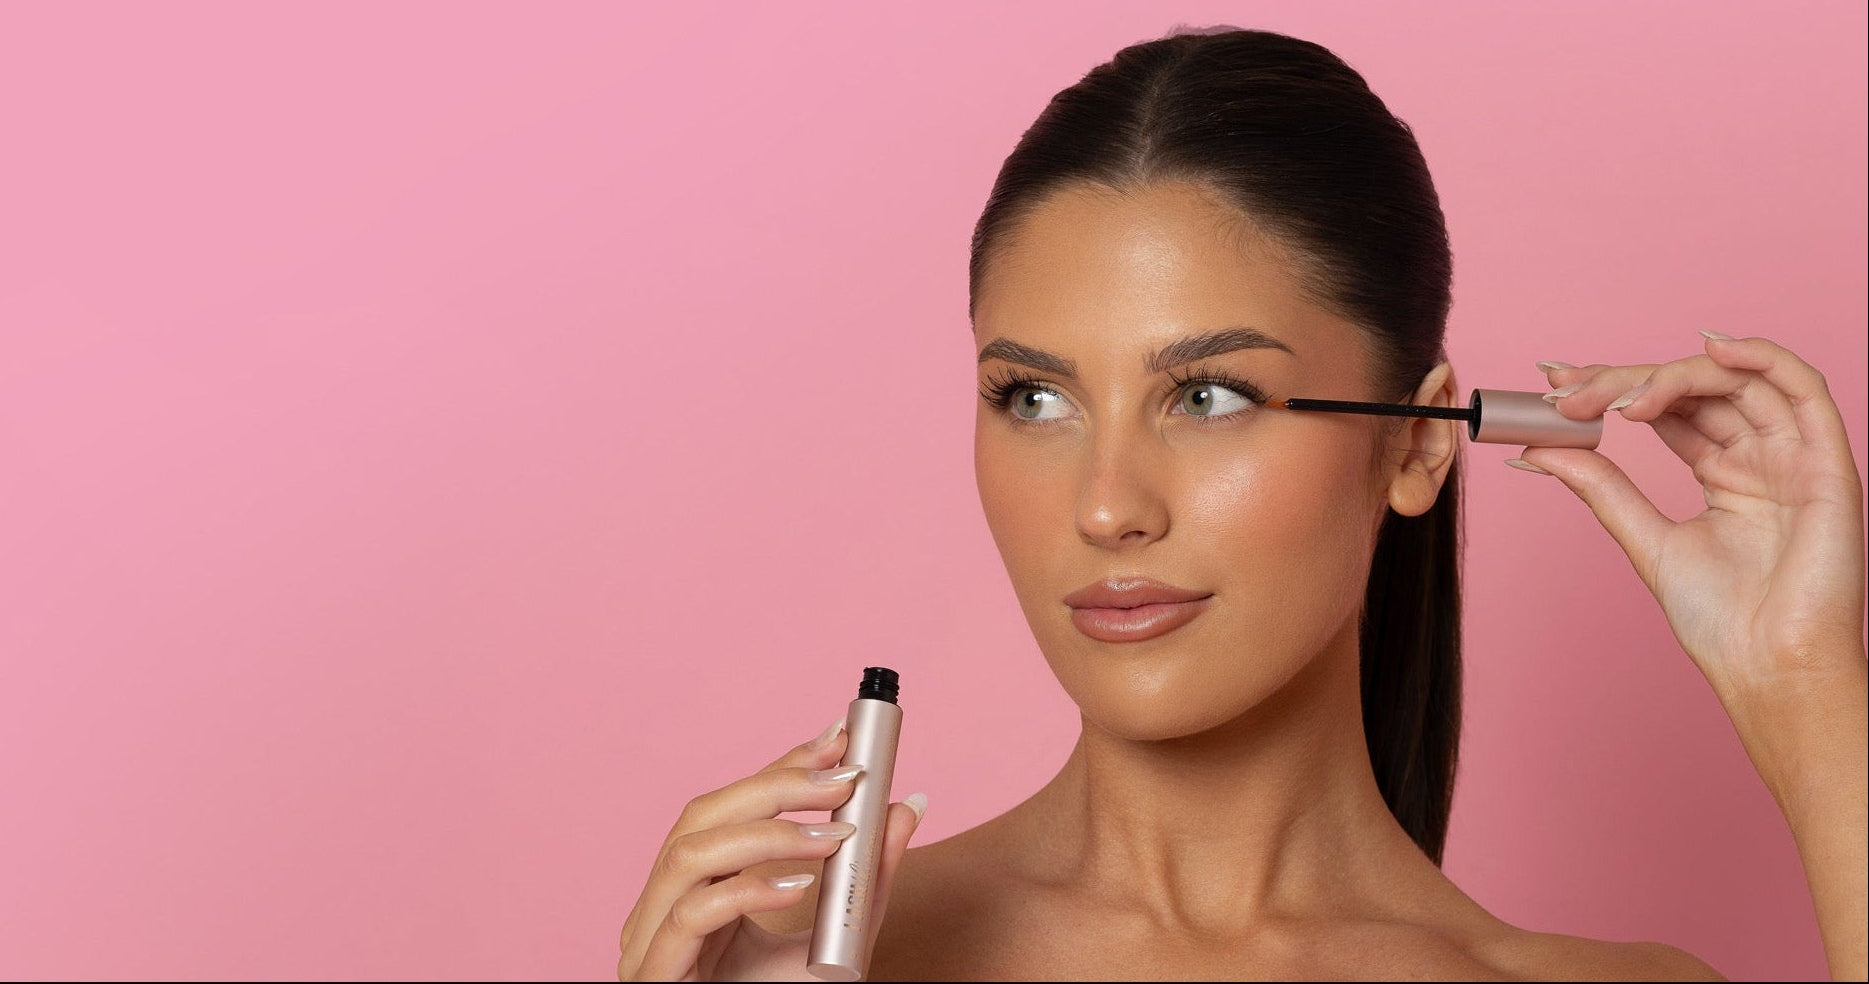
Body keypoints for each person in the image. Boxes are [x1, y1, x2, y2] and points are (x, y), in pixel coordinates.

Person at [617, 26, 1867, 981]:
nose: (1106, 508)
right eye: (1034, 399)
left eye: (1207, 397)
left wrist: (1802, 684)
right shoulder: (808, 961)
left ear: (1416, 443)